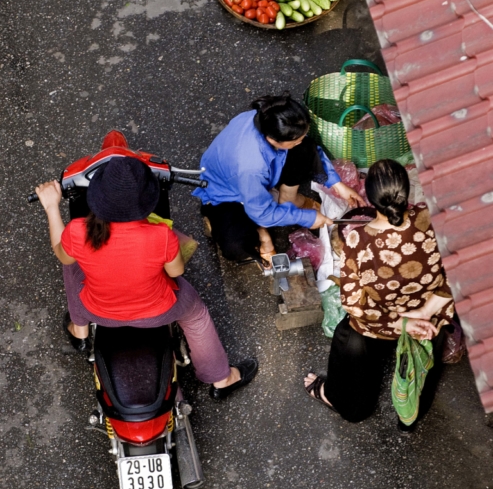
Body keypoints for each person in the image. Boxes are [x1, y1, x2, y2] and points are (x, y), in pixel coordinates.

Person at [35, 156, 258, 401]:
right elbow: (176, 272)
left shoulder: (79, 230)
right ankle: (221, 379)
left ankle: (80, 329)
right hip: (159, 311)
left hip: (98, 311)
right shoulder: (162, 235)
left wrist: (51, 207)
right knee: (196, 315)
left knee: (71, 262)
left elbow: (62, 255)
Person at [303, 158, 455, 428]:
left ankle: (345, 402)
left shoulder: (357, 240)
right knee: (424, 363)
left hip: (379, 326)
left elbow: (354, 305)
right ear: (406, 192)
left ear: (371, 199)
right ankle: (410, 417)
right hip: (428, 320)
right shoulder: (433, 218)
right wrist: (423, 312)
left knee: (347, 337)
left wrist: (401, 322)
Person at [193, 93, 364, 265]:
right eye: (295, 140)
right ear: (272, 139)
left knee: (305, 148)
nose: (300, 141)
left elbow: (308, 147)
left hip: (251, 176)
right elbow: (262, 214)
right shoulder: (252, 167)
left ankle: (288, 199)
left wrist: (338, 185)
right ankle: (259, 231)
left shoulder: (267, 118)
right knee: (236, 247)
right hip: (228, 193)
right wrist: (308, 218)